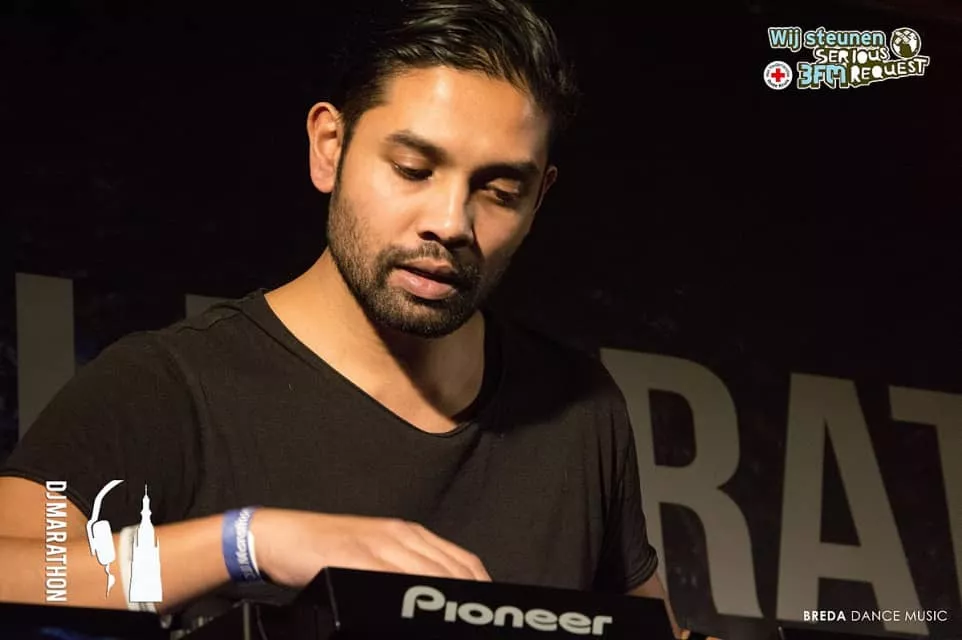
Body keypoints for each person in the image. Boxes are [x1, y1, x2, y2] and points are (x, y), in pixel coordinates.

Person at [0, 0, 698, 636]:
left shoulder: (579, 412)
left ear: (539, 199)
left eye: (498, 190)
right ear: (329, 147)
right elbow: (20, 571)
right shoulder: (168, 387)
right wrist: (246, 542)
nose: (451, 223)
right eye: (413, 169)